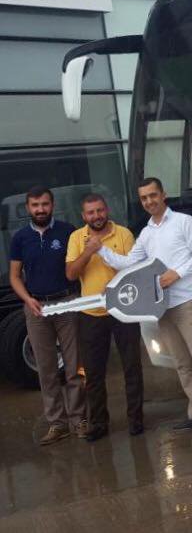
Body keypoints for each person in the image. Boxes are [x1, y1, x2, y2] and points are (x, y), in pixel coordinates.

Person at [91, 177, 192, 436]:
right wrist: (101, 250)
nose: (149, 201)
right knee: (182, 364)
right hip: (162, 307)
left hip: (187, 302)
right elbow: (129, 263)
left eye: (153, 195)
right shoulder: (146, 233)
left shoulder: (184, 222)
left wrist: (177, 273)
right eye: (144, 198)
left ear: (163, 195)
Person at [9, 186, 87, 445]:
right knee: (47, 370)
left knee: (74, 367)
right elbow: (14, 276)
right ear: (28, 208)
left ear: (52, 205)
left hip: (67, 303)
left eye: (44, 204)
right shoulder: (20, 238)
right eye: (35, 205)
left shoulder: (68, 231)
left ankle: (79, 419)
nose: (40, 209)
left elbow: (77, 267)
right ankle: (57, 424)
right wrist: (27, 298)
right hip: (37, 308)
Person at [65, 193, 144, 442]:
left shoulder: (123, 234)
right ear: (83, 216)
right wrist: (89, 251)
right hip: (92, 314)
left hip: (124, 311)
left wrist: (107, 255)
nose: (96, 216)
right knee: (93, 372)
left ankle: (136, 420)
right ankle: (99, 423)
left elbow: (134, 269)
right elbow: (70, 274)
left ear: (106, 210)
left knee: (132, 367)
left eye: (99, 210)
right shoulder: (76, 238)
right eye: (91, 212)